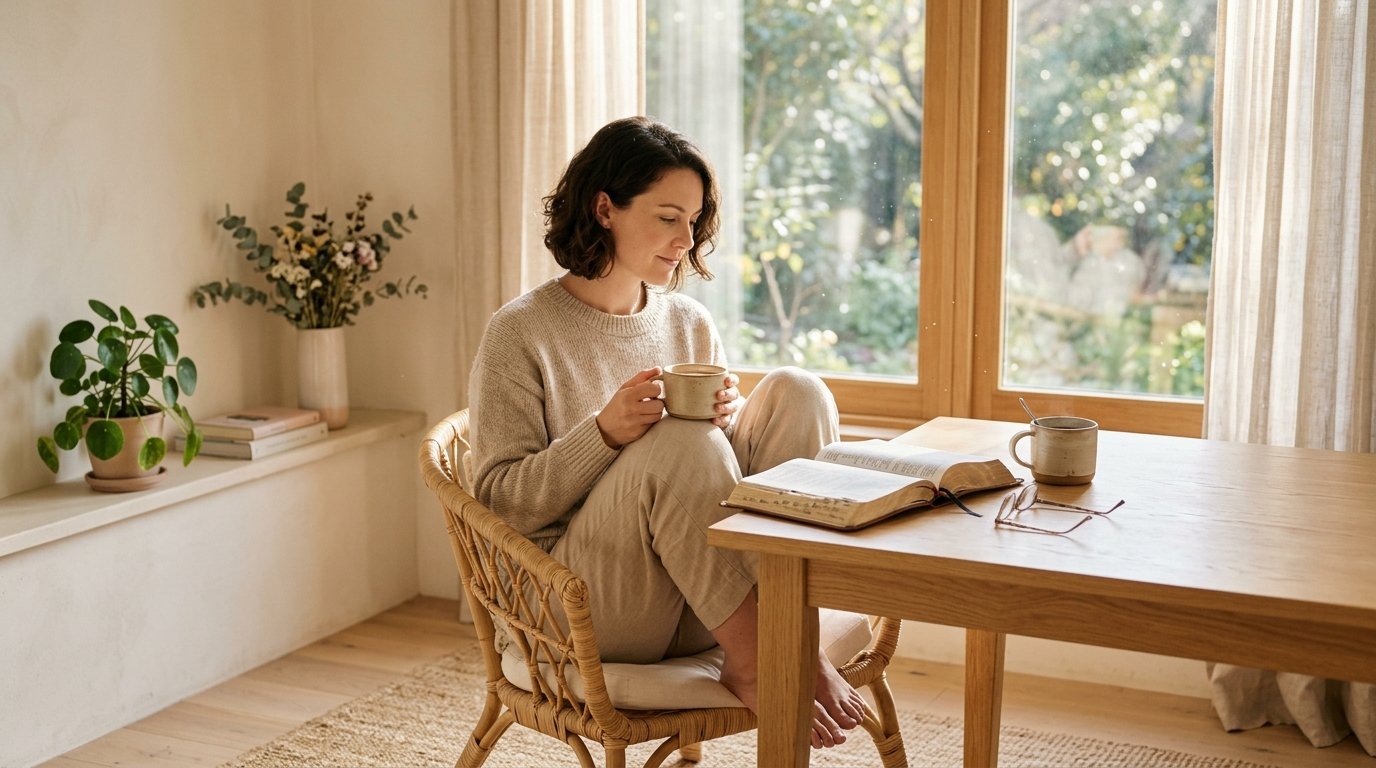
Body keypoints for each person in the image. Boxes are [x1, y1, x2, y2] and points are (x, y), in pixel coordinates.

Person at [467, 115, 865, 749]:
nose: (687, 239)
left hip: (701, 598)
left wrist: (726, 423)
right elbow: (498, 502)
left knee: (798, 391)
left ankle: (795, 632)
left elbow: (708, 477)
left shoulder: (688, 321)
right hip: (581, 608)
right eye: (668, 217)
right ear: (605, 209)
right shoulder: (519, 332)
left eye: (694, 220)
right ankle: (758, 659)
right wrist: (603, 434)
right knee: (681, 441)